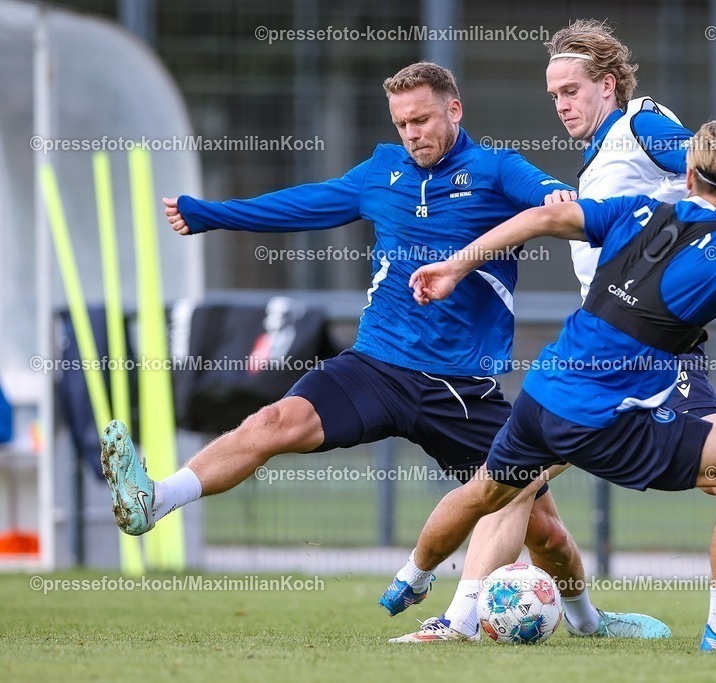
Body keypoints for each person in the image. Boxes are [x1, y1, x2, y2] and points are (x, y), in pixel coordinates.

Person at [393, 19, 716, 644]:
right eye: (554, 94)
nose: (561, 104)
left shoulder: (641, 126)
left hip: (648, 346)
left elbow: (704, 164)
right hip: (610, 342)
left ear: (609, 86)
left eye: (571, 90)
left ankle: (457, 619)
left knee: (528, 482)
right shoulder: (602, 155)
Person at [98, 61, 666, 641]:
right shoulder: (381, 171)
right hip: (375, 366)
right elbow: (305, 205)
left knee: (542, 529)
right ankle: (156, 498)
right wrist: (209, 215)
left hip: (461, 388)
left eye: (421, 119)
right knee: (275, 420)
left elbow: (558, 206)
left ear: (454, 110)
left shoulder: (497, 170)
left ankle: (590, 624)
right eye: (402, 124)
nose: (412, 133)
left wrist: (599, 209)